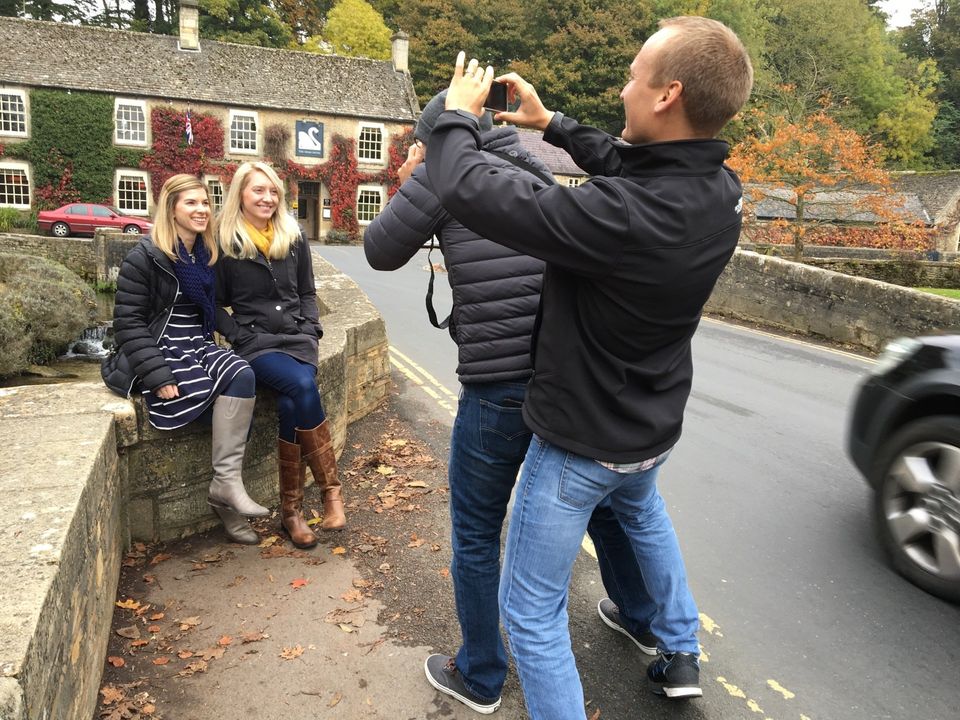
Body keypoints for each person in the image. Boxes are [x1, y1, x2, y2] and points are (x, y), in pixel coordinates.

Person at [423, 16, 754, 719]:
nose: (623, 84)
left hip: (581, 443)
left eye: (634, 75)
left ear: (667, 95)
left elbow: (472, 190)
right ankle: (679, 644)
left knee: (533, 611)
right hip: (649, 428)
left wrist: (454, 118)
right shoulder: (721, 190)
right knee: (645, 517)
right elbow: (634, 162)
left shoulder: (621, 216)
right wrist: (557, 125)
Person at [364, 90, 657, 715]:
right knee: (597, 506)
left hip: (495, 386)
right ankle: (639, 615)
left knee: (475, 531)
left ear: (435, 134)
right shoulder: (532, 165)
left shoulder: (444, 174)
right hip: (563, 379)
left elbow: (379, 250)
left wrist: (423, 171)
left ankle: (480, 672)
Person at [101, 173, 266, 545]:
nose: (202, 209)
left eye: (205, 202)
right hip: (159, 348)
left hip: (197, 342)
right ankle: (227, 502)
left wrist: (244, 336)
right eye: (191, 203)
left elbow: (210, 309)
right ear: (171, 209)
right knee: (223, 407)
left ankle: (225, 487)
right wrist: (158, 375)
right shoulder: (144, 257)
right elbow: (127, 323)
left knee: (242, 373)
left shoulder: (205, 255)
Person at [214, 161, 346, 550]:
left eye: (273, 192)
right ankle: (331, 492)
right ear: (240, 193)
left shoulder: (294, 236)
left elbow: (307, 291)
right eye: (258, 190)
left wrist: (311, 328)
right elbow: (215, 306)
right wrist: (237, 333)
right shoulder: (224, 243)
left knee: (292, 404)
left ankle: (292, 513)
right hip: (257, 344)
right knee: (302, 385)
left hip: (298, 338)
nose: (267, 198)